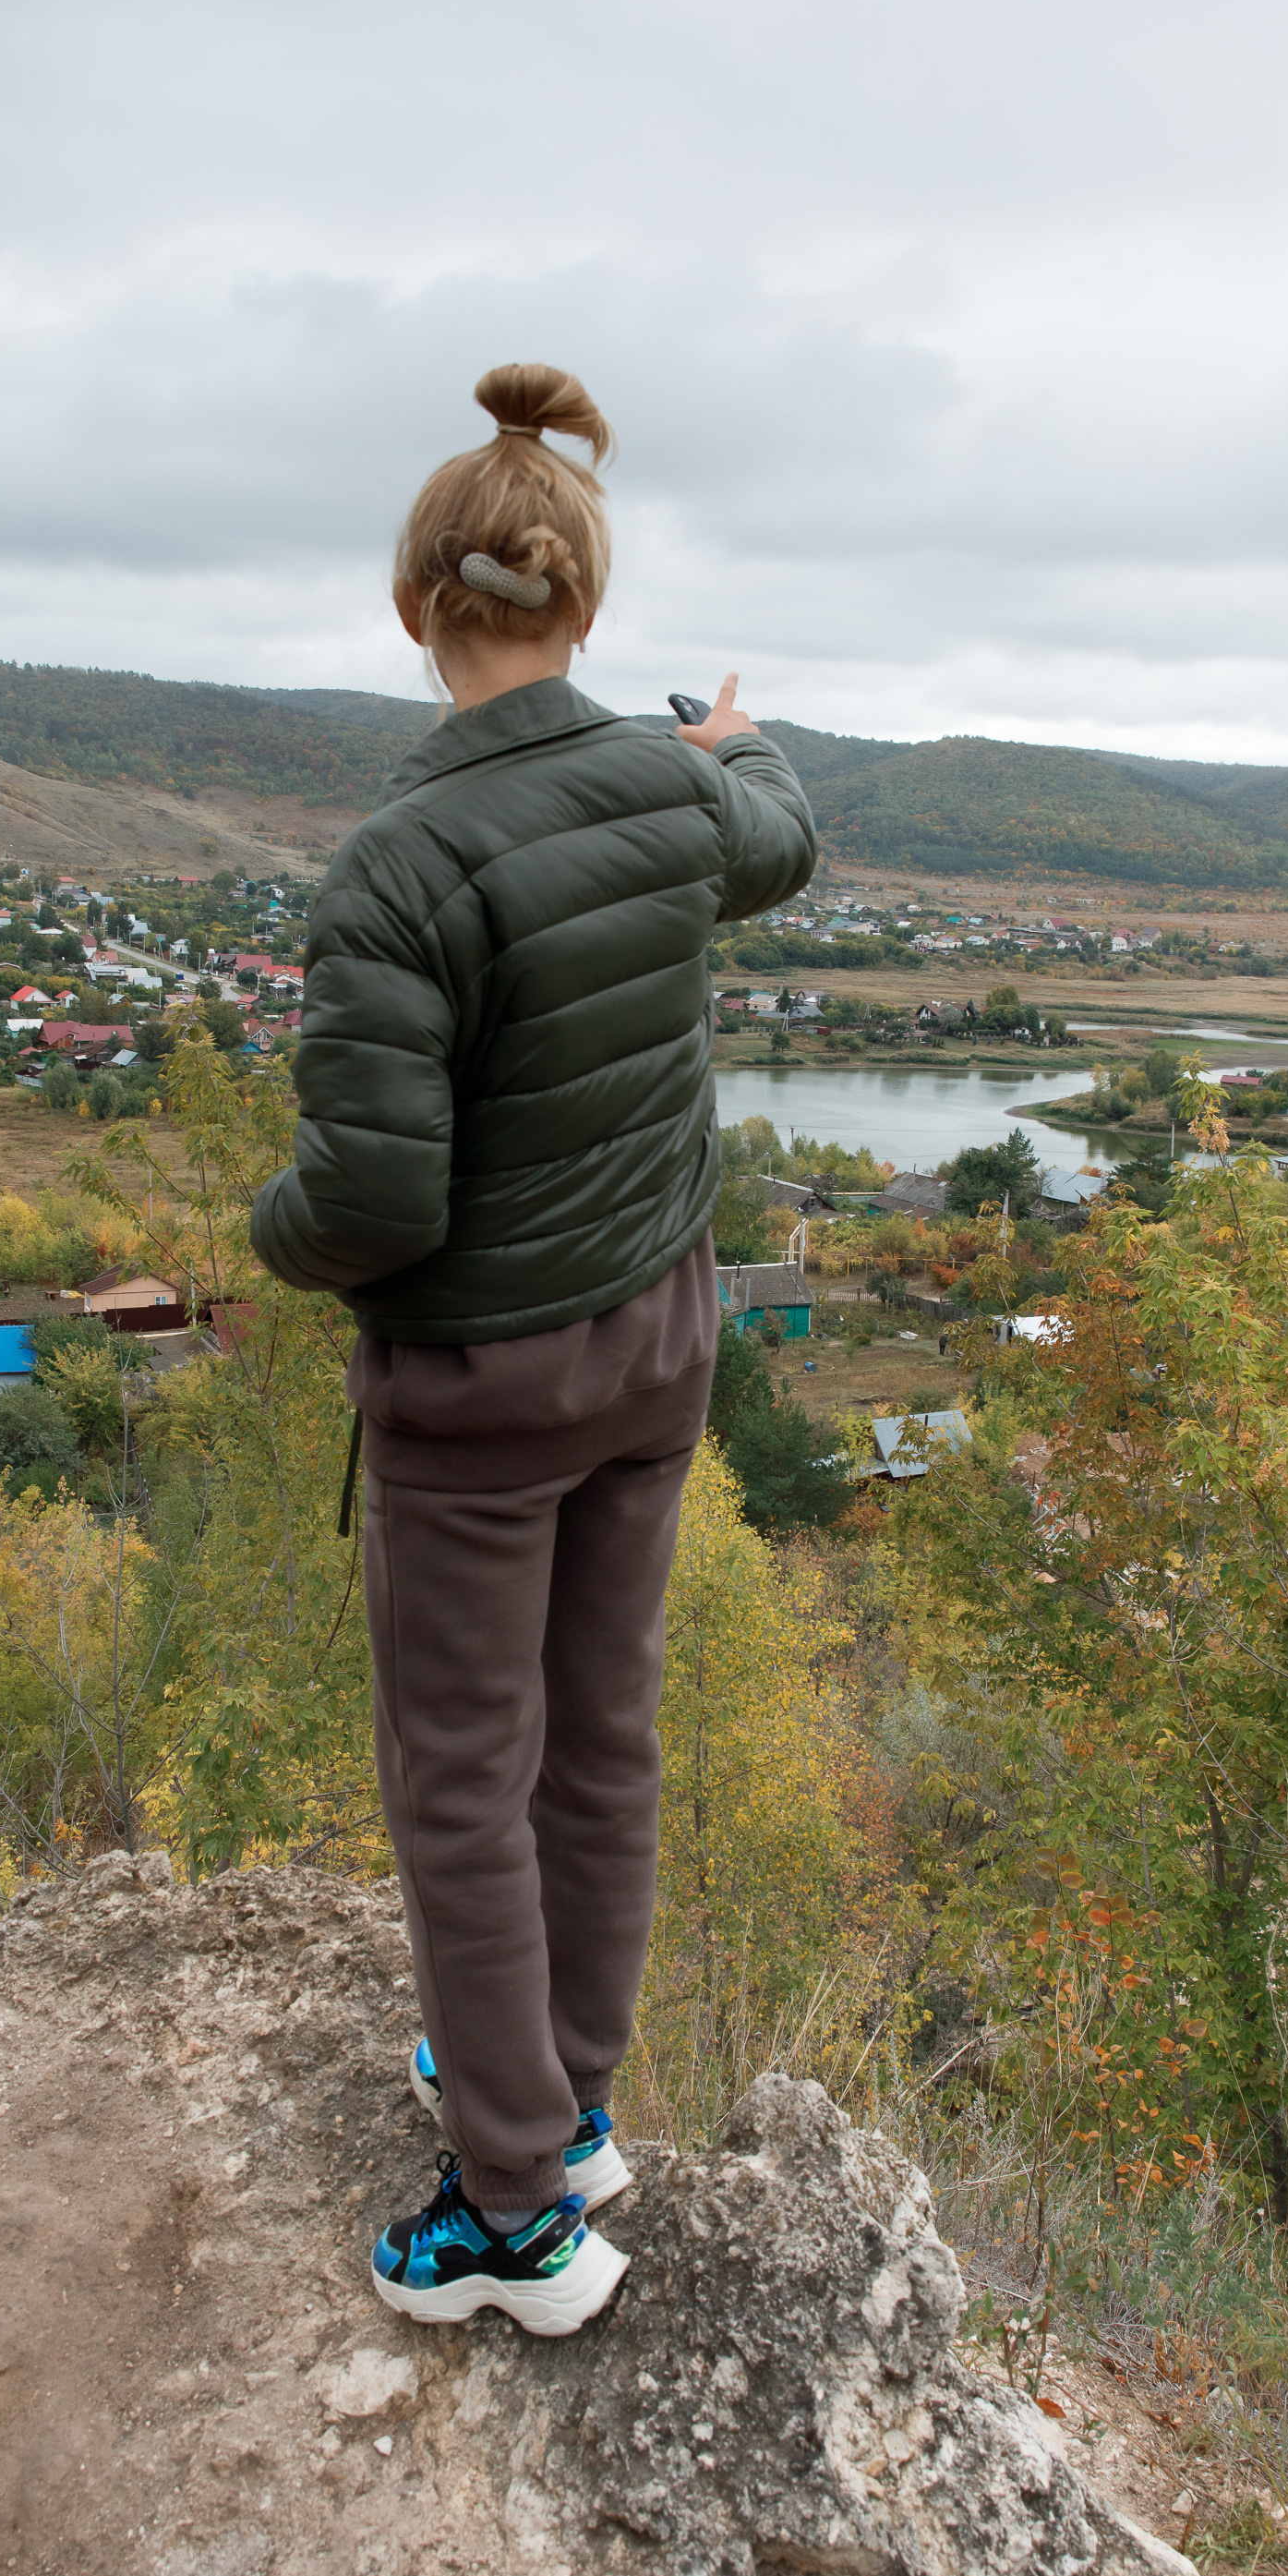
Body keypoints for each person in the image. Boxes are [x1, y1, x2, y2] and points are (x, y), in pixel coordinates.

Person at [251, 362, 817, 2334]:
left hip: (480, 1397)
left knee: (462, 1782)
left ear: (421, 610)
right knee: (604, 1742)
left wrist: (265, 1230)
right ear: (583, 606)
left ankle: (510, 2219)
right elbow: (777, 827)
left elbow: (376, 1206)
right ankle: (564, 2101)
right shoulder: (675, 788)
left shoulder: (394, 874)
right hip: (659, 1349)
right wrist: (731, 737)